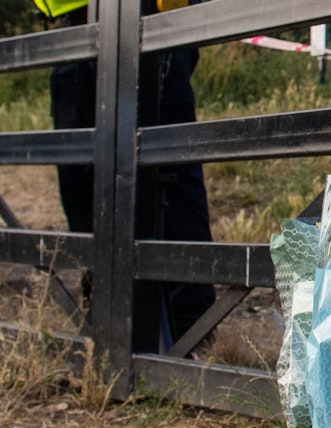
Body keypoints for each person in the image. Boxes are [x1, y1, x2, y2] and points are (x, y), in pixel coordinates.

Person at [39, 0, 215, 353]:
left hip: (153, 15)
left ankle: (191, 336)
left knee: (172, 179)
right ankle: (108, 320)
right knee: (83, 184)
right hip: (74, 27)